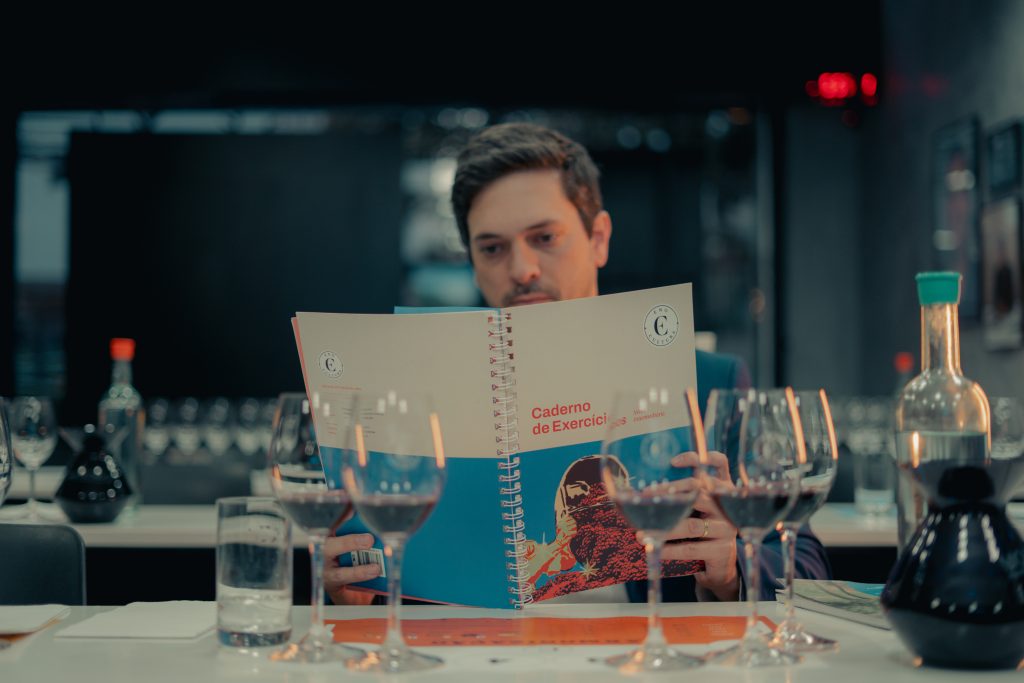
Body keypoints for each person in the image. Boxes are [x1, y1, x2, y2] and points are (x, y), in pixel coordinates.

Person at [325, 122, 830, 604]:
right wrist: (349, 591)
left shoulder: (708, 384)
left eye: (544, 238)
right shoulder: (409, 400)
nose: (522, 269)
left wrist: (733, 564)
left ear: (598, 238)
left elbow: (805, 563)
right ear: (473, 261)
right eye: (493, 247)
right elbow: (357, 583)